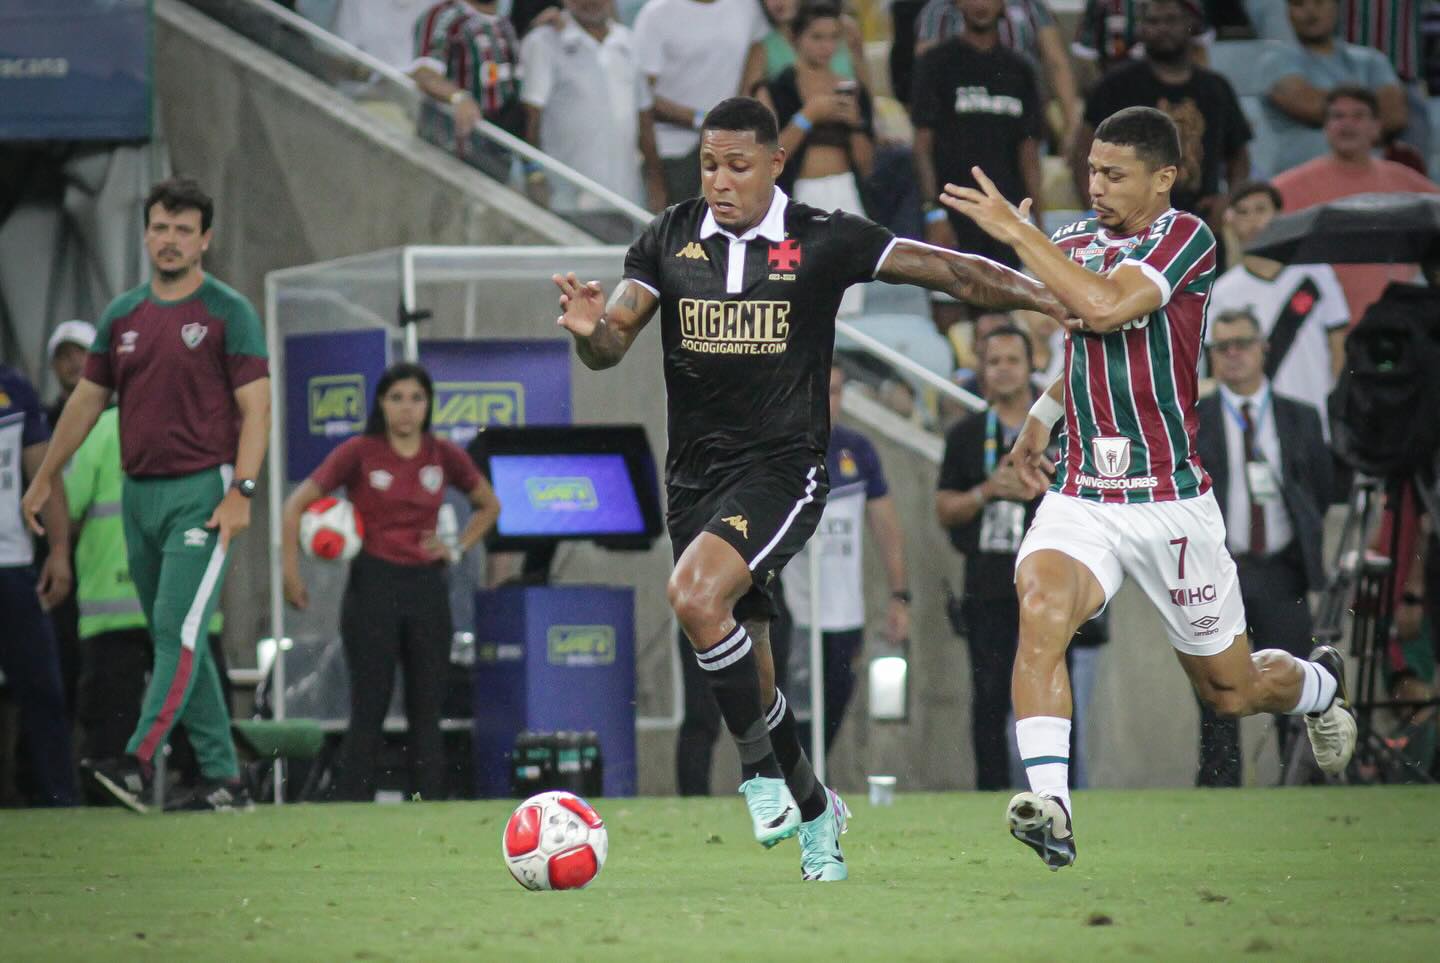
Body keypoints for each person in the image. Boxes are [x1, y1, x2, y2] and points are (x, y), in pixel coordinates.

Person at [551, 96, 1065, 881]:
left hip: (783, 466)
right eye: (709, 165)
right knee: (748, 662)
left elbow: (952, 270)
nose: (720, 181)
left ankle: (759, 776)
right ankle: (818, 807)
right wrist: (595, 333)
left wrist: (1047, 294)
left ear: (775, 163)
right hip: (694, 477)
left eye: (738, 166)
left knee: (693, 597)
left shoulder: (822, 239)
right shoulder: (668, 236)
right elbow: (614, 341)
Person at [942, 105, 1357, 870]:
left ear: (1163, 177)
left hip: (1167, 500)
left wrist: (1016, 233)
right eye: (1091, 170)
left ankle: (1317, 686)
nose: (1094, 186)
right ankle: (1053, 808)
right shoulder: (1071, 240)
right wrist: (1041, 414)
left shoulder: (1186, 238)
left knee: (1229, 689)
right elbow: (1079, 343)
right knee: (1041, 606)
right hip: (1081, 497)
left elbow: (1104, 306)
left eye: (1113, 174)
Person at [22, 177, 270, 814]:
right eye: (160, 227)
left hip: (202, 492)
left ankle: (136, 761)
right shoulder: (123, 314)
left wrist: (241, 490)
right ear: (146, 233)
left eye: (183, 229)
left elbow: (257, 406)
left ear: (205, 240)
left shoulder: (227, 310)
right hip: (140, 495)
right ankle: (224, 779)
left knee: (171, 628)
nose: (169, 239)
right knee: (181, 634)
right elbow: (86, 399)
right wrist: (47, 473)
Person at [283, 362, 500, 802]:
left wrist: (455, 545)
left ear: (428, 405)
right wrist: (291, 572)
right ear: (381, 403)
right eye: (396, 397)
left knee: (427, 709)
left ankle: (429, 807)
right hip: (372, 587)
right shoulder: (359, 452)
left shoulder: (442, 454)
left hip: (426, 589)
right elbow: (295, 506)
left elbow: (489, 505)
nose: (406, 408)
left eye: (416, 398)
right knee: (369, 704)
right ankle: (353, 805)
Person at [62, 392, 229, 799]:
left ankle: (160, 771)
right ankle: (216, 782)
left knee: (113, 725)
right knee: (184, 690)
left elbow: (69, 507)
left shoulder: (101, 428)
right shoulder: (198, 425)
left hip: (114, 608)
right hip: (146, 607)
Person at [1194, 309, 1333, 785]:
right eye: (1222, 347)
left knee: (1289, 677)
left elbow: (1320, 486)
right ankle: (1219, 788)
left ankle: (1299, 781)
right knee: (1217, 687)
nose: (1233, 354)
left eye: (1242, 344)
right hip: (1218, 570)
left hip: (1280, 567)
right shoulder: (1196, 419)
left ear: (1263, 349)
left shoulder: (1300, 416)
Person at [782, 366, 911, 758]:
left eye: (835, 392)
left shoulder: (858, 451)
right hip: (794, 613)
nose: (827, 401)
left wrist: (899, 595)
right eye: (820, 391)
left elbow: (885, 525)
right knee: (794, 716)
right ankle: (794, 795)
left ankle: (815, 791)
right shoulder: (778, 452)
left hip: (845, 613)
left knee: (832, 715)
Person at [936, 324, 1041, 790]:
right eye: (993, 362)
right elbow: (943, 508)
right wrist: (986, 491)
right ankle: (991, 794)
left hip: (1048, 583)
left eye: (1012, 361)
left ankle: (1056, 792)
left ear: (1031, 364)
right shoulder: (966, 434)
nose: (1002, 370)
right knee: (989, 697)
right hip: (988, 584)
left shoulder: (1059, 428)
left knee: (1051, 695)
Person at [1072, 0, 1251, 250]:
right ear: (1141, 29)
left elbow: (1239, 159)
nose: (1163, 28)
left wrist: (1227, 202)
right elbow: (1082, 154)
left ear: (1191, 24)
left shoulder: (1216, 89)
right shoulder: (1114, 86)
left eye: (1171, 20)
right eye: (1153, 21)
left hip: (1200, 229)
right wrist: (1099, 214)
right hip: (1130, 232)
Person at [1272, 86, 1439, 331]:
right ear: (1326, 127)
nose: (1347, 124)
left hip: (1396, 325)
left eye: (1358, 116)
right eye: (1338, 116)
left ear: (1376, 127)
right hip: (1317, 326)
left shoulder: (1405, 182)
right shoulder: (1287, 187)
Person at [757, 3, 876, 317]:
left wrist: (854, 124)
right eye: (817, 37)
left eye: (833, 38)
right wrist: (809, 116)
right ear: (796, 39)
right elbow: (768, 159)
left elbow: (867, 166)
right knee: (791, 289)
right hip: (794, 202)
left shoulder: (851, 89)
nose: (826, 46)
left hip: (844, 194)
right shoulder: (776, 88)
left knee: (847, 292)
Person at [912, 0, 1045, 272]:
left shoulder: (1021, 69)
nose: (980, 4)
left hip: (1007, 214)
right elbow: (922, 146)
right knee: (951, 308)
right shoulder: (935, 63)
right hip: (953, 209)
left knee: (1006, 308)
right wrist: (934, 213)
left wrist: (1038, 223)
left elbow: (1029, 152)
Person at [1208, 181, 1348, 436]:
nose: (1253, 221)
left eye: (1261, 210)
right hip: (1254, 425)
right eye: (1242, 212)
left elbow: (1338, 343)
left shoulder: (1316, 273)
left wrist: (1335, 398)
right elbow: (1218, 364)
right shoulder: (1222, 291)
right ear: (1231, 221)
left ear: (1279, 216)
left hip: (1316, 413)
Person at [0, 364, 76, 807]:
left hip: (12, 563)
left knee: (43, 689)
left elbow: (44, 474)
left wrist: (60, 550)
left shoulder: (14, 391)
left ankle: (60, 801)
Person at [519, 0, 666, 216]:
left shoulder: (628, 41)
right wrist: (533, 174)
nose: (592, 2)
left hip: (625, 198)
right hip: (565, 199)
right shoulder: (543, 42)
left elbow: (643, 118)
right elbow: (530, 119)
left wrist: (655, 179)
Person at [633, 0, 766, 205]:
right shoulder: (656, 14)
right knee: (678, 232)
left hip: (729, 149)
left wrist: (742, 104)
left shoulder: (746, 5)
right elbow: (640, 94)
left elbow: (757, 46)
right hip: (672, 152)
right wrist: (702, 119)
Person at [1259, 0, 1405, 175]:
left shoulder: (1372, 60)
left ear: (1336, 7)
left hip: (1368, 183)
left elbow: (1394, 115)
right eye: (1298, 4)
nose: (1310, 11)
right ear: (1287, 11)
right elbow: (1310, 105)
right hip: (1302, 182)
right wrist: (1367, 109)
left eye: (1319, 3)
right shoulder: (1276, 61)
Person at [913, 0, 1081, 148]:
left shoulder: (1030, 6)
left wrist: (1071, 125)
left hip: (1019, 114)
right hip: (957, 120)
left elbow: (1056, 64)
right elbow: (924, 73)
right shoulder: (937, 10)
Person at [410, 0, 525, 167]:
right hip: (447, 150)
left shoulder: (505, 25)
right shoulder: (445, 16)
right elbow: (424, 74)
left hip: (496, 156)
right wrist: (459, 97)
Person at [739, 0, 869, 96]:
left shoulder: (848, 30)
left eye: (833, 37)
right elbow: (748, 112)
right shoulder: (761, 49)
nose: (777, 2)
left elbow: (866, 87)